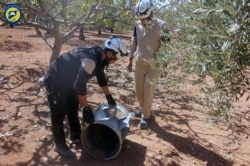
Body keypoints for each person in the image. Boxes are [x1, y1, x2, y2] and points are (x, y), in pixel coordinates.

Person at [44, 36, 128, 158]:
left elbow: (101, 78)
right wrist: (86, 108)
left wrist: (109, 96)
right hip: (55, 80)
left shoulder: (99, 56)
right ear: (110, 53)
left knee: (72, 105)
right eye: (115, 59)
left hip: (69, 81)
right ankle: (59, 145)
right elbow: (80, 86)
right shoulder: (90, 61)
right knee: (59, 113)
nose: (114, 62)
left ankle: (75, 134)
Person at [127, 0, 170, 129]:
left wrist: (164, 67)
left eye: (145, 18)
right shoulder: (137, 25)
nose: (143, 21)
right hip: (139, 63)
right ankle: (143, 108)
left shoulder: (163, 26)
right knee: (138, 90)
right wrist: (130, 60)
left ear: (151, 13)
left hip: (154, 65)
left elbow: (166, 48)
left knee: (148, 91)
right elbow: (133, 42)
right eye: (141, 19)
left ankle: (146, 116)